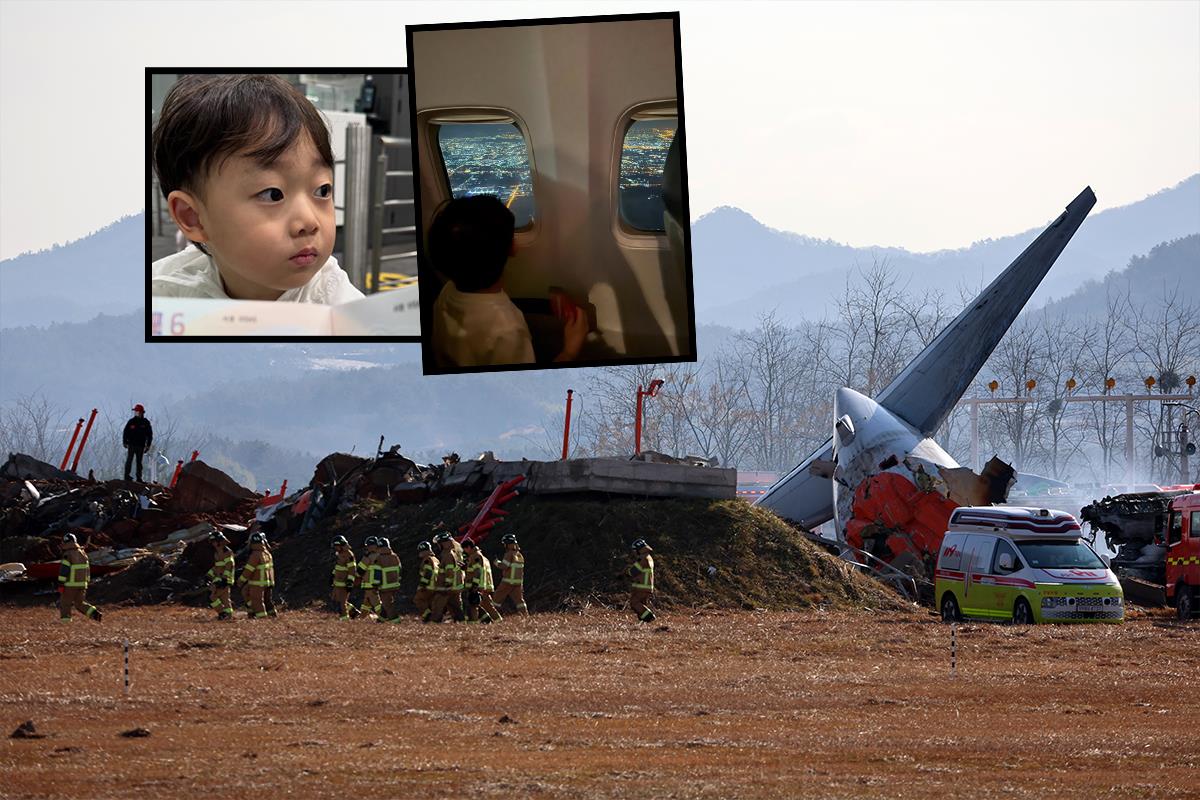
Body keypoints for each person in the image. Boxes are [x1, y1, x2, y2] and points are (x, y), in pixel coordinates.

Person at [151, 74, 363, 304]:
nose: (310, 222)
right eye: (273, 194)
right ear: (193, 218)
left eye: (322, 190)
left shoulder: (337, 304)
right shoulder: (164, 293)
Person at [428, 195, 587, 368]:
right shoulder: (507, 330)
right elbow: (528, 387)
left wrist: (545, 303)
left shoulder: (447, 291)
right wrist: (570, 351)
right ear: (513, 248)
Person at [57, 533, 101, 623]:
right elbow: (87, 569)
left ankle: (66, 623)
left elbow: (64, 571)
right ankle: (95, 614)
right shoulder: (83, 553)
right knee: (79, 604)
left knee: (65, 603)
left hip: (70, 585)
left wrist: (61, 583)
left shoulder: (67, 554)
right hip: (82, 584)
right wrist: (87, 581)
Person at [429, 533, 465, 623]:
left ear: (443, 543)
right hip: (455, 586)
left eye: (439, 544)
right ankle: (461, 622)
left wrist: (447, 584)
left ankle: (434, 623)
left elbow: (449, 571)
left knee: (437, 605)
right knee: (456, 607)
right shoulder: (453, 553)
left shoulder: (447, 555)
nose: (438, 546)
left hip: (447, 588)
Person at [237, 533, 274, 619]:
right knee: (267, 600)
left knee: (257, 601)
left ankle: (262, 619)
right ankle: (271, 615)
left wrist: (241, 580)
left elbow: (248, 570)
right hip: (268, 582)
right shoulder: (267, 553)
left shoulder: (255, 555)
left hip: (257, 583)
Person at [462, 538, 500, 624]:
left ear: (468, 547)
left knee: (473, 606)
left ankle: (473, 625)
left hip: (477, 587)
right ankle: (497, 622)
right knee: (486, 606)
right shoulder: (481, 556)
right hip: (483, 586)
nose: (465, 551)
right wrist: (465, 568)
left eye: (465, 549)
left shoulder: (475, 556)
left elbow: (478, 572)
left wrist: (474, 585)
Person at [492, 534, 528, 616]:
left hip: (507, 582)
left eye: (504, 543)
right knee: (520, 602)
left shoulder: (509, 554)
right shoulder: (519, 555)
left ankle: (492, 616)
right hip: (518, 583)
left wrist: (496, 562)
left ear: (507, 544)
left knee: (496, 599)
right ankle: (526, 616)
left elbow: (504, 566)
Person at [206, 531, 235, 620]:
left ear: (219, 541)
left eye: (214, 541)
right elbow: (217, 566)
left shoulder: (226, 552)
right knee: (225, 599)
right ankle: (228, 616)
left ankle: (222, 613)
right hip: (219, 578)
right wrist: (209, 574)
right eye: (212, 542)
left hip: (224, 580)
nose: (213, 544)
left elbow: (229, 566)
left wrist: (224, 579)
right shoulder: (217, 553)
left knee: (212, 596)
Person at [330, 536, 359, 620]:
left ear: (341, 545)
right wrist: (333, 575)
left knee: (341, 602)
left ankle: (344, 619)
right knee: (335, 599)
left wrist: (350, 581)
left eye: (336, 546)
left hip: (344, 583)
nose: (335, 548)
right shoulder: (339, 554)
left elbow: (352, 570)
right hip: (337, 582)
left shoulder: (349, 555)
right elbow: (338, 567)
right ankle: (354, 612)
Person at [374, 537, 402, 623]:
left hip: (384, 587)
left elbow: (377, 573)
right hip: (395, 585)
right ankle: (381, 620)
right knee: (387, 603)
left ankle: (396, 621)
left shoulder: (379, 558)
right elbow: (400, 570)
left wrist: (375, 585)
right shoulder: (395, 557)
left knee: (387, 605)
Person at [122, 404, 153, 482]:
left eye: (137, 412)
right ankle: (127, 476)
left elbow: (149, 435)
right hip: (131, 444)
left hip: (141, 445)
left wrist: (148, 445)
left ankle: (139, 478)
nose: (136, 413)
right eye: (135, 412)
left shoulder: (145, 423)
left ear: (142, 412)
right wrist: (125, 441)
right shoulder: (131, 421)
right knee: (129, 460)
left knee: (139, 462)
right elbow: (125, 432)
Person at [628, 539, 656, 623]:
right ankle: (644, 621)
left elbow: (633, 571)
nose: (634, 552)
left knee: (634, 603)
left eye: (634, 550)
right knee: (641, 605)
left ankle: (650, 617)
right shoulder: (648, 557)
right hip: (646, 586)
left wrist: (623, 574)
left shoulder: (643, 558)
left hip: (642, 586)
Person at [354, 536, 382, 619]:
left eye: (369, 545)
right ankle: (362, 617)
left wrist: (355, 576)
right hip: (376, 584)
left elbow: (360, 570)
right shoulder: (380, 555)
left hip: (370, 584)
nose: (367, 547)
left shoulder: (369, 557)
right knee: (366, 602)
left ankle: (383, 617)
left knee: (375, 602)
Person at [413, 541, 440, 623]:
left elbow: (428, 573)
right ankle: (431, 619)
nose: (419, 553)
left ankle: (427, 615)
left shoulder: (427, 559)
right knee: (429, 603)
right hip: (435, 586)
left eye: (420, 551)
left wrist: (423, 585)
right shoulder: (435, 559)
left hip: (428, 586)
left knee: (418, 600)